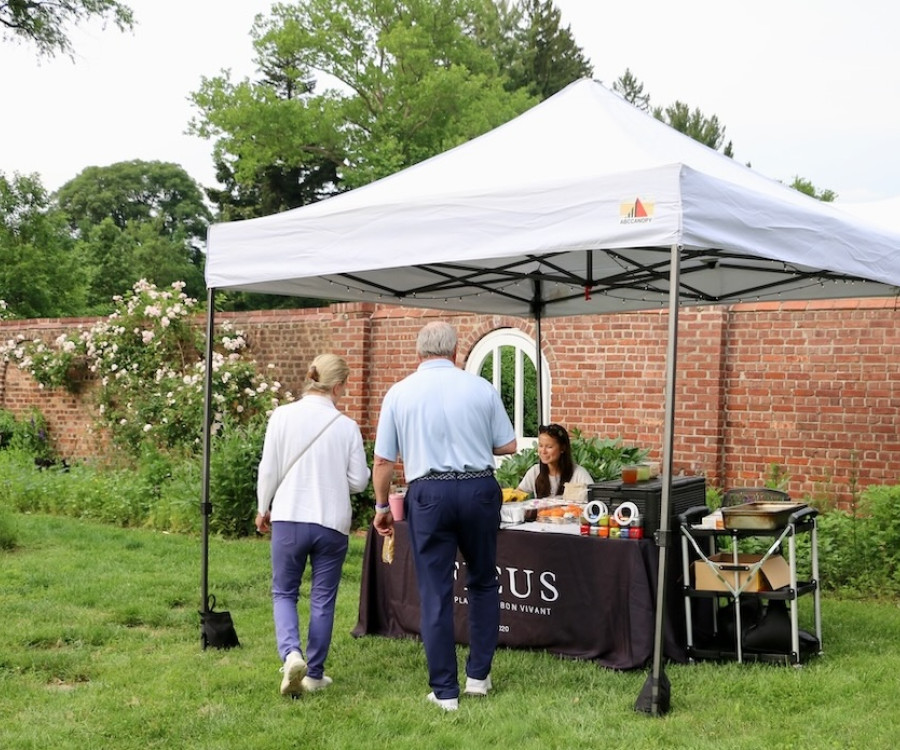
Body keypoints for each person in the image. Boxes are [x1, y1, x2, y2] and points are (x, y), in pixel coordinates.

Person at [372, 321, 517, 711]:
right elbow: (508, 444)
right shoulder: (481, 387)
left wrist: (382, 506)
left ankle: (444, 692)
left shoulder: (399, 392)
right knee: (484, 581)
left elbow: (384, 460)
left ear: (418, 353)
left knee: (435, 590)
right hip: (477, 488)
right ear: (455, 352)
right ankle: (478, 677)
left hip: (429, 493)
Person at [256, 353, 370, 698]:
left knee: (284, 592)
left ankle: (291, 654)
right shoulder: (346, 426)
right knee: (323, 599)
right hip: (332, 522)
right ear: (337, 386)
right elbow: (360, 482)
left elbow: (269, 467)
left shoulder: (282, 416)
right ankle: (315, 674)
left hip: (289, 515)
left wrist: (263, 508)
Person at [517, 423, 594, 498]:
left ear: (562, 448)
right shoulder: (535, 471)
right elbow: (517, 494)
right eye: (540, 446)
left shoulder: (578, 473)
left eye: (549, 447)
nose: (543, 451)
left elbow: (594, 499)